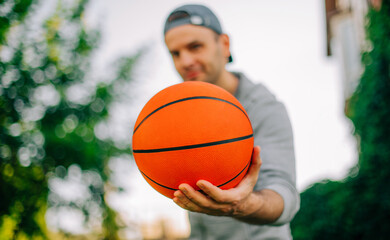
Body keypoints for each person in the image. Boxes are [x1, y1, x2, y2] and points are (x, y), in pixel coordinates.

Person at [163, 4, 300, 239]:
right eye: (175, 53)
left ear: (224, 45)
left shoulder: (263, 107)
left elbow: (283, 197)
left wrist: (242, 204)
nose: (185, 61)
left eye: (195, 47)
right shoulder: (183, 115)